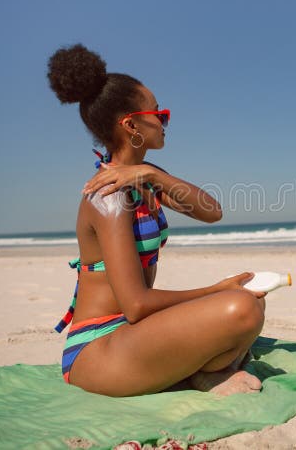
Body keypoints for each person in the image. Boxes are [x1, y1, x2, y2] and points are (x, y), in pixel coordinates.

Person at [47, 43, 265, 397]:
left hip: (134, 334)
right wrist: (215, 290)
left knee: (253, 299)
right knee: (240, 306)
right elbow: (136, 305)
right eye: (158, 112)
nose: (166, 120)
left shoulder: (141, 178)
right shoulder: (110, 196)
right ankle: (203, 371)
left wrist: (152, 175)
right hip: (99, 348)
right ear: (131, 124)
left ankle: (199, 371)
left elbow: (211, 211)